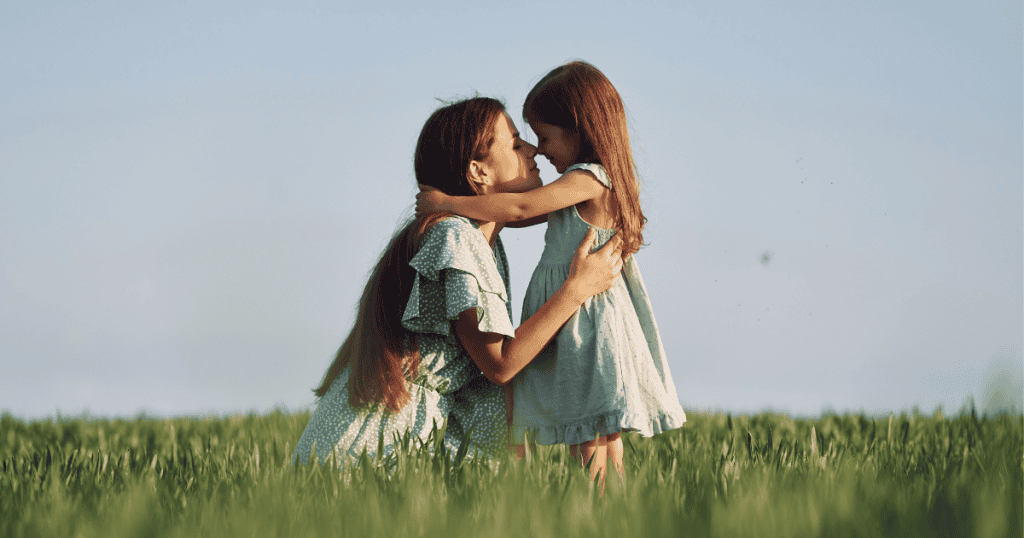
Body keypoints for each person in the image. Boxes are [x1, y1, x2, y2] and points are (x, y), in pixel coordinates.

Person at [292, 96, 624, 467]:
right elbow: (500, 365)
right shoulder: (454, 238)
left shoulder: (482, 244)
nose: (533, 150)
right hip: (371, 444)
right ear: (477, 171)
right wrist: (577, 289)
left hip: (405, 435)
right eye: (515, 143)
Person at [416, 61, 686, 485]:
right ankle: (611, 510)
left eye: (544, 137)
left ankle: (609, 512)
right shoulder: (582, 185)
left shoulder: (591, 179)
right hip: (577, 317)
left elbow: (520, 208)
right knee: (594, 430)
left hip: (587, 320)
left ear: (579, 130)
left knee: (594, 430)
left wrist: (446, 202)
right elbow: (515, 216)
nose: (539, 150)